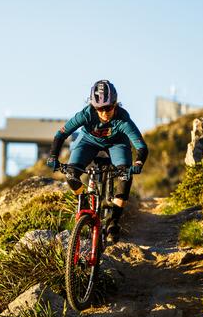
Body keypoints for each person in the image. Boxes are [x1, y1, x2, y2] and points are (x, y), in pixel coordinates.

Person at [46, 79, 148, 240]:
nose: (104, 112)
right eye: (99, 108)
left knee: (125, 176)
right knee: (71, 174)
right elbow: (61, 134)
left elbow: (141, 146)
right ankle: (83, 202)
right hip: (88, 142)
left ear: (115, 104)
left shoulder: (123, 119)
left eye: (108, 107)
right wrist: (53, 156)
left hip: (117, 143)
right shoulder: (86, 114)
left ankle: (113, 221)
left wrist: (138, 163)